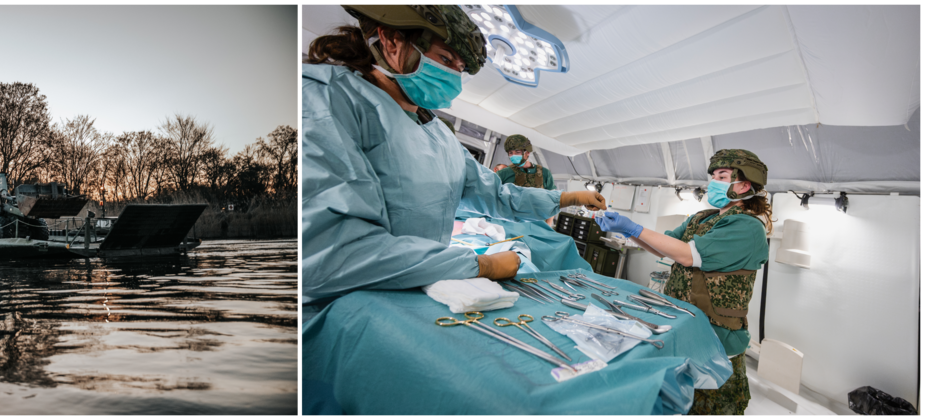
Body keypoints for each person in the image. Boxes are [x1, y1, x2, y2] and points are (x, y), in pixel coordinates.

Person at [300, 3, 607, 308]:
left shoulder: (439, 135)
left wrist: (570, 198)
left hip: (414, 293)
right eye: (445, 59)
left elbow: (498, 197)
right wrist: (480, 266)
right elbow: (327, 254)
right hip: (333, 310)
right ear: (392, 42)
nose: (453, 78)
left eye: (459, 70)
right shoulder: (321, 100)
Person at [594, 149, 772, 416]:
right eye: (712, 176)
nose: (713, 181)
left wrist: (633, 227)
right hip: (685, 327)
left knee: (710, 409)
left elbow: (688, 256)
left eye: (722, 176)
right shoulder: (703, 218)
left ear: (744, 184)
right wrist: (626, 229)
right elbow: (664, 248)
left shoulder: (748, 228)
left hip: (717, 340)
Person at [495, 135, 558, 225]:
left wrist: (548, 227)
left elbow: (552, 202)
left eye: (517, 152)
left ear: (527, 152)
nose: (513, 156)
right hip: (510, 224)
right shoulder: (503, 173)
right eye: (510, 153)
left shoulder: (545, 173)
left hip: (537, 225)